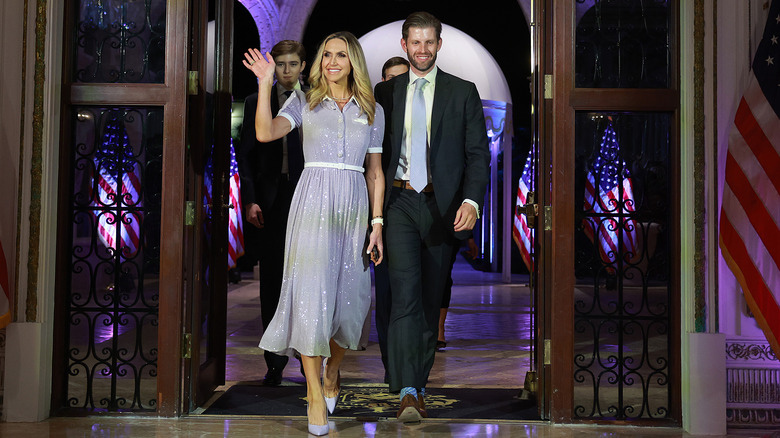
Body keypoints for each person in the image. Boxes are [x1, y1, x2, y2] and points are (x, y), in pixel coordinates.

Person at [243, 31, 385, 436]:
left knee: (351, 303)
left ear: (353, 60)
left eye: (341, 54)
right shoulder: (303, 101)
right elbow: (266, 133)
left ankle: (333, 370)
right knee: (310, 299)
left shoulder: (371, 108)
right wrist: (266, 82)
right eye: (327, 55)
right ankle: (314, 397)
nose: (333, 61)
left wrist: (376, 224)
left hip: (354, 207)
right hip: (311, 207)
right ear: (319, 62)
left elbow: (375, 172)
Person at [374, 11, 490, 423]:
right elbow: (375, 158)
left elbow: (478, 157)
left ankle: (417, 382)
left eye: (429, 42)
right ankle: (408, 390)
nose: (421, 50)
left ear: (439, 45)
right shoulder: (385, 93)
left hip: (441, 209)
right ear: (403, 46)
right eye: (414, 42)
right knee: (404, 294)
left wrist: (472, 202)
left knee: (428, 299)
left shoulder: (463, 92)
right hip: (400, 202)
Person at [238, 39, 307, 387]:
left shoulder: (315, 100)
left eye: (293, 64)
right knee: (273, 281)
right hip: (270, 201)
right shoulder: (255, 103)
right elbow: (245, 156)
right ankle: (275, 361)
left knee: (309, 277)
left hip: (308, 197)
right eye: (281, 64)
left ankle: (310, 354)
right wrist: (249, 200)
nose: (287, 71)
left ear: (303, 66)